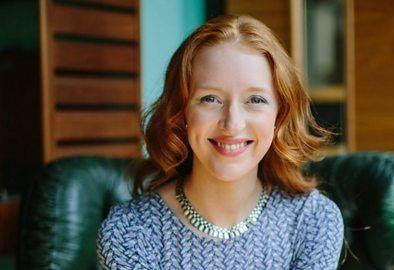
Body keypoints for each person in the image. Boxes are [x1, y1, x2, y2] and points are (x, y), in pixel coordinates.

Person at [96, 14, 344, 269]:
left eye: (255, 100)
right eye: (210, 99)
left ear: (279, 116)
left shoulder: (313, 220)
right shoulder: (130, 232)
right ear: (181, 113)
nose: (232, 124)